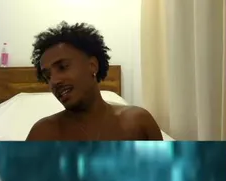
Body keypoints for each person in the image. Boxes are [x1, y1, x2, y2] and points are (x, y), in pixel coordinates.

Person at [25, 22, 164, 141]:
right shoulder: (42, 133)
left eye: (63, 67)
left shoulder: (138, 123)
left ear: (93, 66)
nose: (54, 81)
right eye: (48, 76)